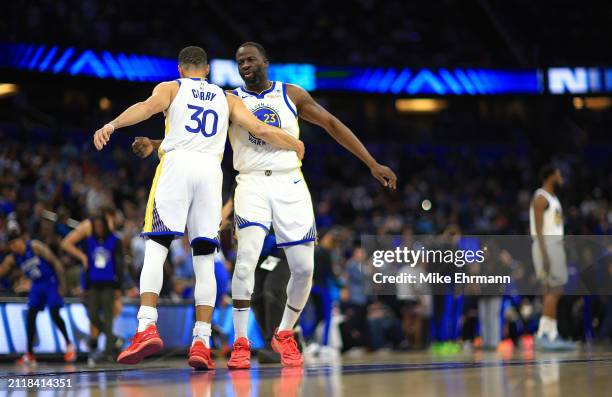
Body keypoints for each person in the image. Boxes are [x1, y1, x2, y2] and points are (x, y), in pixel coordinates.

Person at [133, 41, 397, 368]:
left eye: (250, 59)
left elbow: (331, 124)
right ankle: (240, 342)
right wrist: (156, 143)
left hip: (290, 181)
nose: (245, 64)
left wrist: (371, 163)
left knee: (304, 268)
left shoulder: (292, 94)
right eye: (240, 60)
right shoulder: (229, 99)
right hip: (252, 181)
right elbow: (199, 137)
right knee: (245, 259)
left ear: (265, 62)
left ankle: (285, 332)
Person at [93, 45, 304, 369]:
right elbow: (260, 129)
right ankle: (202, 341)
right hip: (210, 172)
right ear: (206, 70)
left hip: (177, 167)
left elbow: (146, 108)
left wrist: (113, 125)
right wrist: (294, 142)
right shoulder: (227, 97)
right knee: (205, 257)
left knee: (157, 246)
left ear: (180, 68)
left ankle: (146, 326)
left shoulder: (172, 88)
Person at [0, 227, 76, 365]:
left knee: (54, 313)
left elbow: (55, 262)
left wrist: (63, 285)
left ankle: (69, 345)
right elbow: (2, 271)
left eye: (15, 243)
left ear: (22, 240)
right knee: (30, 316)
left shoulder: (35, 246)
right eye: (11, 245)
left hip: (50, 282)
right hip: (36, 285)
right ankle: (29, 354)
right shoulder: (12, 258)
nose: (14, 247)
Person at [60, 207, 124, 363]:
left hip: (108, 282)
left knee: (111, 314)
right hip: (93, 281)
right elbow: (66, 244)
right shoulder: (88, 230)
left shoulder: (114, 238)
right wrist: (82, 258)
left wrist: (118, 287)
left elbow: (119, 263)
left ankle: (108, 349)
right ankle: (112, 341)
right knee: (92, 314)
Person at [529, 165, 576, 350]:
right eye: (558, 173)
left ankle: (551, 333)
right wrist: (545, 254)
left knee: (553, 290)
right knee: (554, 289)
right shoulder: (540, 197)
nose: (561, 176)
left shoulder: (553, 197)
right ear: (550, 176)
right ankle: (543, 334)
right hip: (546, 246)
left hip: (554, 246)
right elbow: (538, 230)